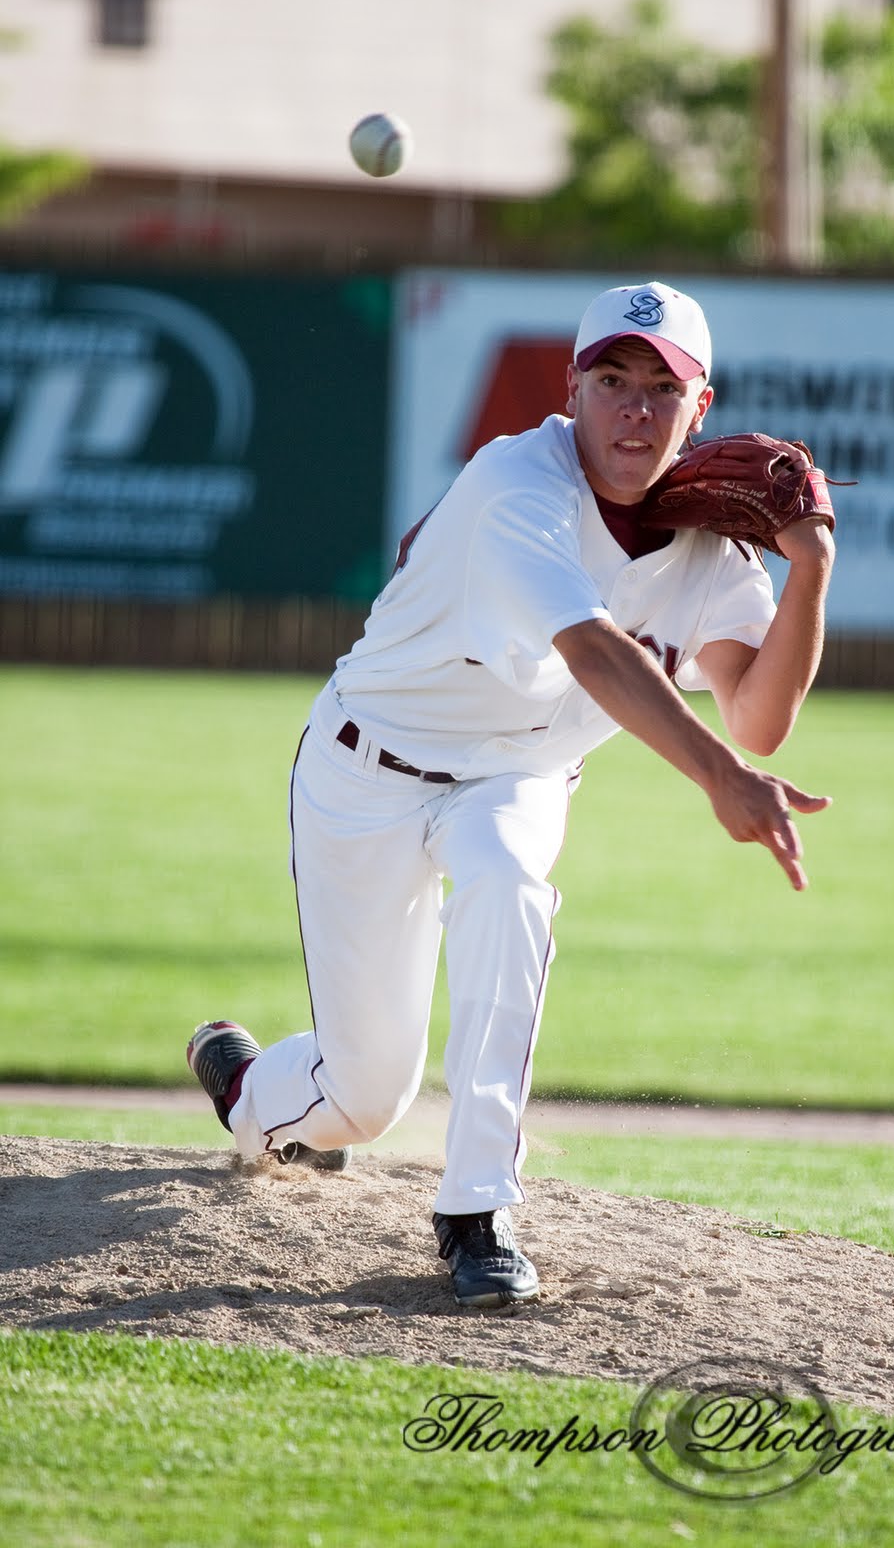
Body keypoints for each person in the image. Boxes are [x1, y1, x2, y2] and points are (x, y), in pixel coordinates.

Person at [187, 280, 835, 1308]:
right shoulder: (514, 483)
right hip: (367, 772)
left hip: (515, 777)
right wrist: (717, 776)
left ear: (698, 407)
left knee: (508, 884)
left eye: (660, 389)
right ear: (570, 388)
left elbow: (756, 717)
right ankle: (245, 1088)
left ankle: (475, 1207)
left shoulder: (714, 547)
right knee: (363, 1100)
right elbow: (592, 652)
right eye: (611, 379)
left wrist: (810, 565)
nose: (632, 409)